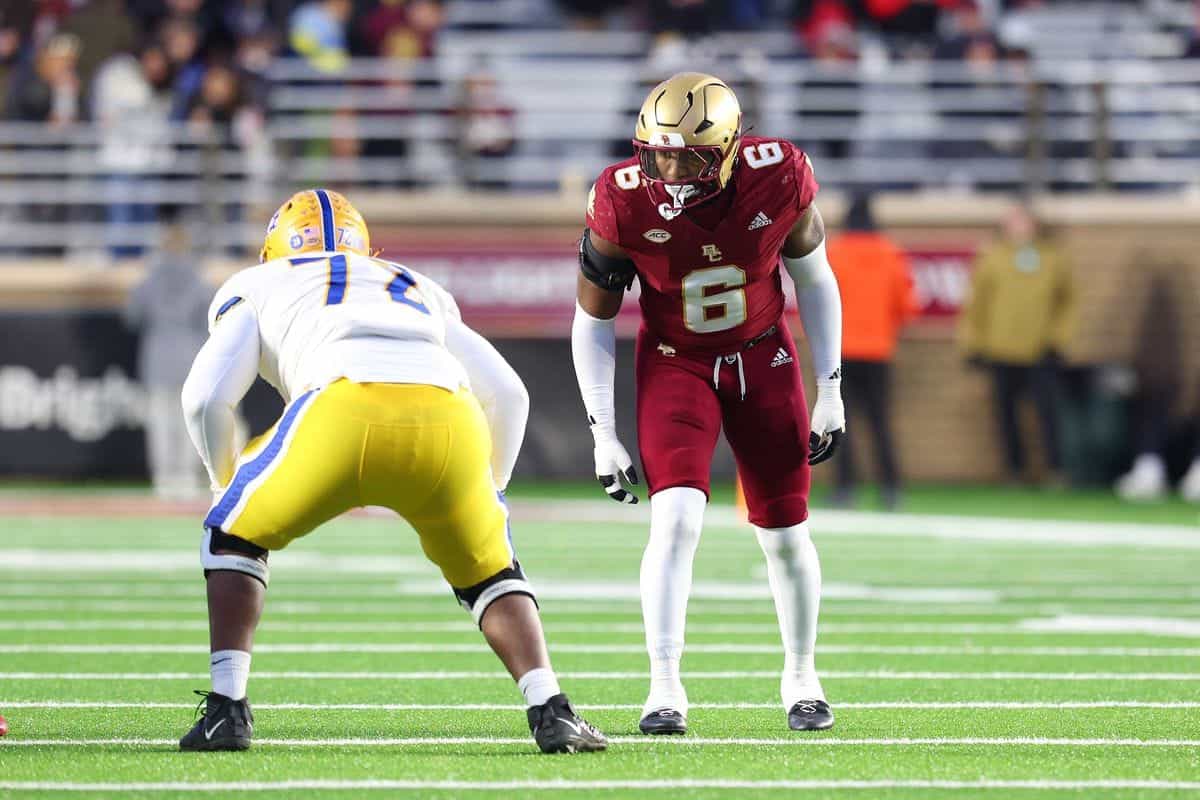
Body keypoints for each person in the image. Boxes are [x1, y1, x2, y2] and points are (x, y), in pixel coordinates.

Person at [179, 189, 606, 754]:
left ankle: (227, 711)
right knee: (490, 570)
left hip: (340, 409)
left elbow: (205, 399)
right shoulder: (413, 284)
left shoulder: (258, 284)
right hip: (448, 419)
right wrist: (488, 491)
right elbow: (509, 394)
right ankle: (552, 709)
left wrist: (222, 485)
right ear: (368, 250)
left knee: (232, 534)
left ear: (272, 253)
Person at [571, 72, 845, 735]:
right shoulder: (619, 198)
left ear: (727, 147)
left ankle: (802, 676)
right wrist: (602, 430)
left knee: (784, 532)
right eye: (657, 151)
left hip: (764, 357)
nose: (668, 167)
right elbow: (592, 319)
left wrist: (831, 388)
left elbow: (815, 278)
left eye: (687, 154)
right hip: (675, 362)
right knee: (675, 523)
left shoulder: (778, 174)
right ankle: (664, 687)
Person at [959, 201, 1075, 486]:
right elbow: (977, 304)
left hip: (1039, 349)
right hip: (1000, 349)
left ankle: (1054, 470)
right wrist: (973, 343)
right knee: (1006, 416)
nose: (1017, 228)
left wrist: (1059, 339)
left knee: (1047, 414)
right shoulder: (993, 257)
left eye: (1022, 221)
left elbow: (1068, 303)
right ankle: (1014, 470)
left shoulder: (1052, 258)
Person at [826, 193, 917, 509]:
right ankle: (891, 488)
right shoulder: (891, 254)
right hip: (879, 351)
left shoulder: (835, 253)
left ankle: (844, 489)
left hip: (841, 351)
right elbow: (906, 306)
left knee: (840, 421)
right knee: (880, 423)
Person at [124, 212, 211, 498]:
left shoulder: (151, 278)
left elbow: (132, 316)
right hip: (189, 356)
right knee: (188, 424)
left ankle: (164, 479)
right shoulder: (198, 278)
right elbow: (209, 321)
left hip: (158, 355)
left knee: (161, 423)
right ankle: (185, 478)